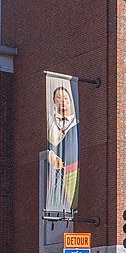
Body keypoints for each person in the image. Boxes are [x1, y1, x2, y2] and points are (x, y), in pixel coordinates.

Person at [46, 85, 79, 214]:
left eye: (65, 98)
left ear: (70, 102)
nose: (63, 101)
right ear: (54, 101)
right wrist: (50, 154)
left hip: (73, 171)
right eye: (58, 98)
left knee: (70, 201)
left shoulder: (77, 123)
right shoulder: (50, 123)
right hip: (54, 172)